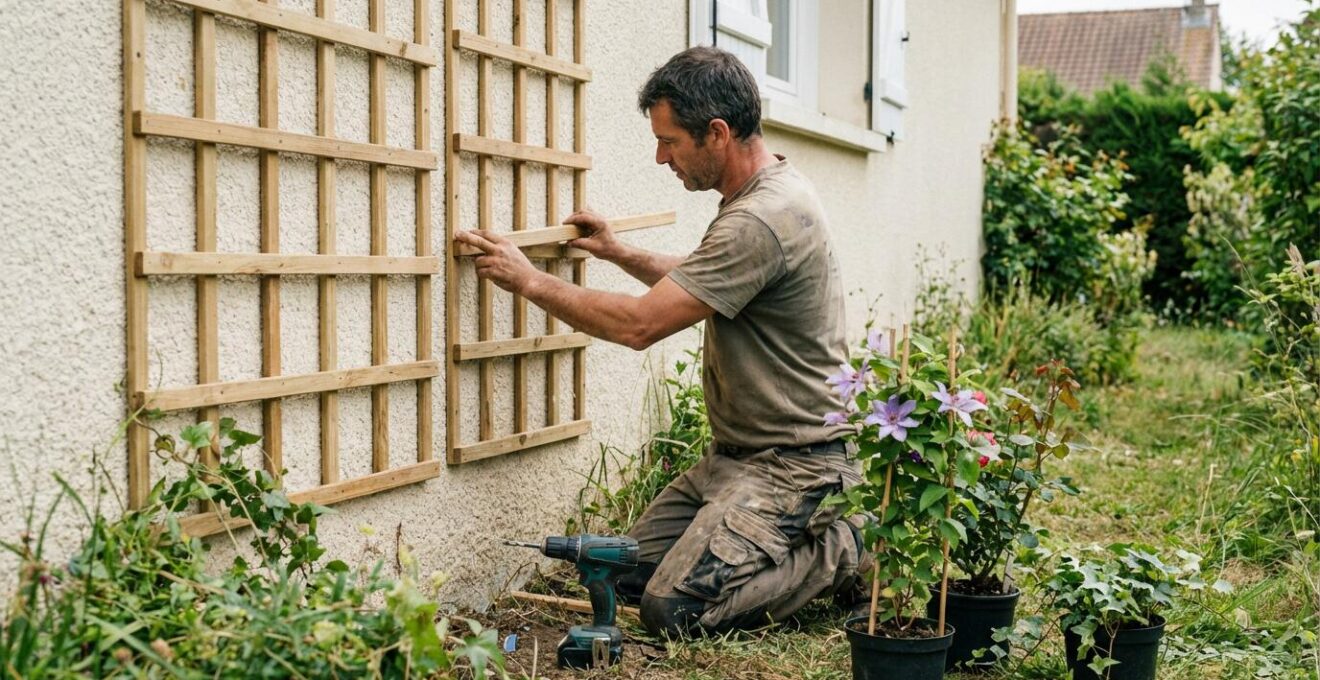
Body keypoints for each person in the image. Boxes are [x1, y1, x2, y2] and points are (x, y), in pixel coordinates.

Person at [454, 46, 865, 637]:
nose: (659, 156)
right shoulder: (765, 191)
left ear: (717, 133)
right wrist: (621, 252)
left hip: (794, 467)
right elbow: (707, 279)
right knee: (621, 573)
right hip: (735, 460)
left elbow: (639, 326)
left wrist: (529, 280)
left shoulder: (760, 217)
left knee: (674, 609)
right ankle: (758, 536)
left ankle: (842, 549)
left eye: (669, 141)